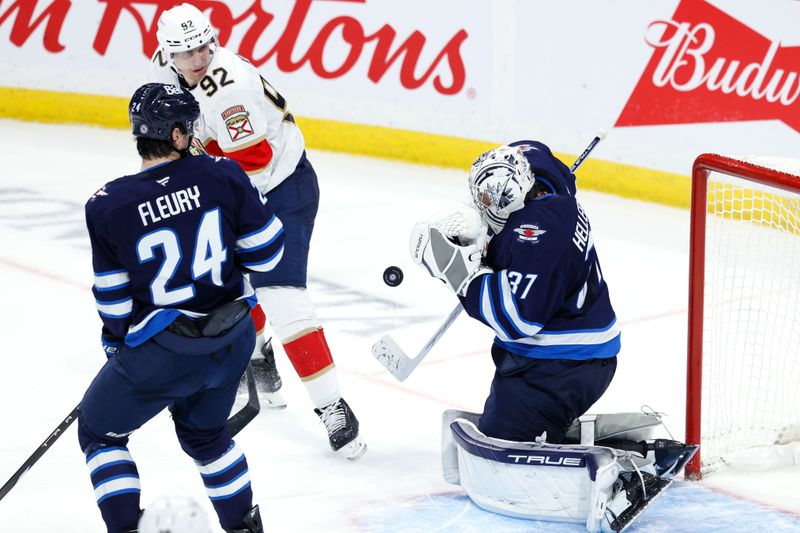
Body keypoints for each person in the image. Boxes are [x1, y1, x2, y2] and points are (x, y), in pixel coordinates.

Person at [149, 2, 365, 459]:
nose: (198, 59)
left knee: (282, 294)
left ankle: (332, 405)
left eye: (203, 47)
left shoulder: (228, 88)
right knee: (228, 283)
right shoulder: (168, 75)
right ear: (167, 53)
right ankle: (260, 356)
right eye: (185, 53)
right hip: (237, 188)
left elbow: (255, 162)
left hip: (282, 188)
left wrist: (196, 180)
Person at [79, 82, 282, 533]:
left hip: (164, 353)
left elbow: (112, 298)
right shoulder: (223, 174)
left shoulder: (107, 204)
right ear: (174, 135)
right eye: (188, 128)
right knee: (207, 436)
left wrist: (116, 345)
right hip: (233, 339)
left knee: (99, 434)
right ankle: (245, 527)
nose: (193, 134)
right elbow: (268, 254)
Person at [412, 141, 620, 443]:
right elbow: (537, 153)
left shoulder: (534, 234)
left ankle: (623, 459)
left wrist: (460, 274)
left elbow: (517, 320)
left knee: (502, 440)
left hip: (562, 365)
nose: (482, 208)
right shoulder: (538, 175)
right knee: (502, 413)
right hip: (562, 347)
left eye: (488, 202)